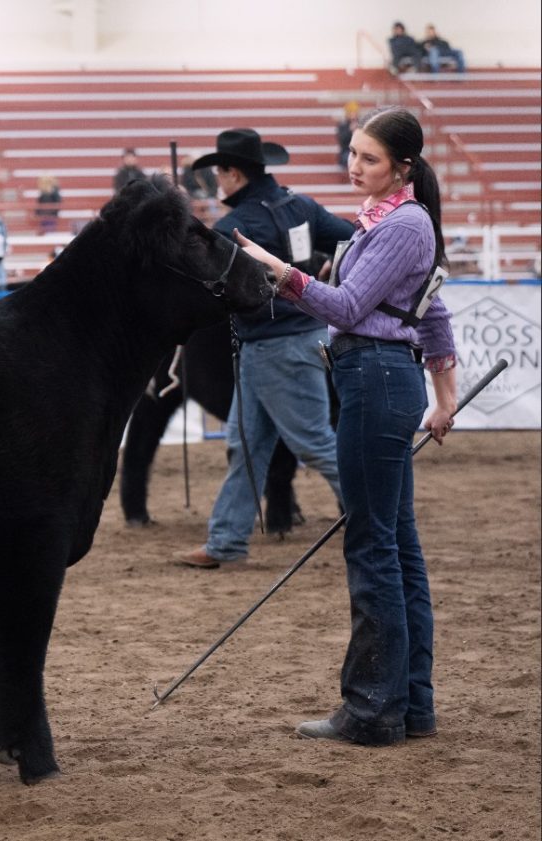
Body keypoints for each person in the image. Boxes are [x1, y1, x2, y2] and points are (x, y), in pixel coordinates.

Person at [234, 105, 457, 745]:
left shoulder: (402, 226)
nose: (353, 166)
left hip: (373, 377)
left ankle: (371, 710)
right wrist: (444, 396)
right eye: (353, 153)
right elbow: (432, 313)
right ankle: (410, 705)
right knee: (396, 544)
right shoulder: (398, 223)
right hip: (385, 379)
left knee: (373, 545)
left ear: (402, 167)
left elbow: (351, 307)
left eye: (368, 158)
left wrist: (280, 273)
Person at [178, 128, 350, 569]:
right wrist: (324, 271)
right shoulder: (301, 205)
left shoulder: (235, 227)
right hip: (290, 340)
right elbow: (353, 236)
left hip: (276, 347)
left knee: (313, 443)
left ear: (234, 174)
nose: (217, 182)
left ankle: (379, 517)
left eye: (219, 173)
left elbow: (196, 282)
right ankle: (226, 542)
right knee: (246, 443)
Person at [336, 101, 361, 171]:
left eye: (355, 112)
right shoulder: (342, 125)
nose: (353, 115)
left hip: (360, 151)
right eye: (351, 112)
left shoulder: (362, 124)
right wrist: (349, 131)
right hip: (347, 151)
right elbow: (342, 142)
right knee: (348, 157)